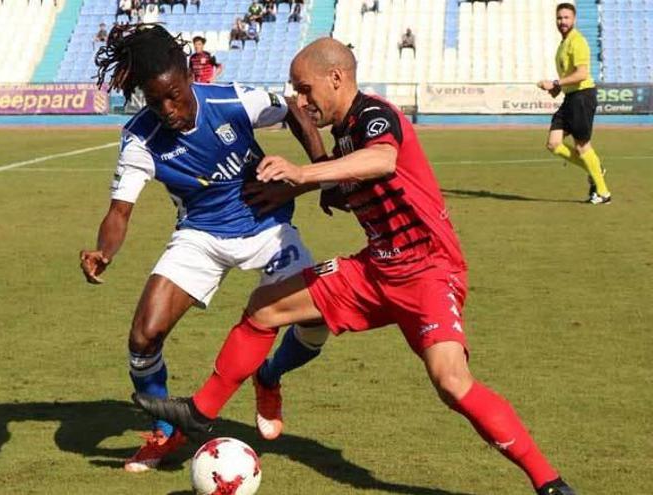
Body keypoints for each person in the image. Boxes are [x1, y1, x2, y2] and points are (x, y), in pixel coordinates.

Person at [133, 38, 577, 495]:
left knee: (451, 381)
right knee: (266, 307)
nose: (300, 102)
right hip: (374, 271)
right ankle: (203, 411)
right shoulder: (343, 133)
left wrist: (304, 174)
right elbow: (351, 179)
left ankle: (549, 482)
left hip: (428, 270)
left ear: (337, 79)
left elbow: (383, 160)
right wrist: (307, 189)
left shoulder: (374, 115)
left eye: (305, 91)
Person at [85, 24, 330, 473]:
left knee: (318, 323)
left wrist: (316, 171)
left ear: (188, 75)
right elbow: (120, 212)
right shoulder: (140, 139)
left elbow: (295, 109)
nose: (168, 109)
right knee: (143, 336)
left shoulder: (231, 100)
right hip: (200, 235)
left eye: (174, 95)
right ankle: (165, 433)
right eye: (155, 101)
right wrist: (104, 252)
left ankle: (270, 376)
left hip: (266, 228)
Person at [537, 2, 610, 204]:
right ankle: (594, 168)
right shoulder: (563, 44)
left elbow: (582, 74)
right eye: (559, 18)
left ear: (574, 19)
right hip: (570, 97)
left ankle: (603, 193)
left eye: (566, 17)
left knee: (582, 146)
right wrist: (555, 88)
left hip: (582, 96)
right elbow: (569, 77)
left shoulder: (577, 41)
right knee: (553, 143)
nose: (562, 21)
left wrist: (555, 82)